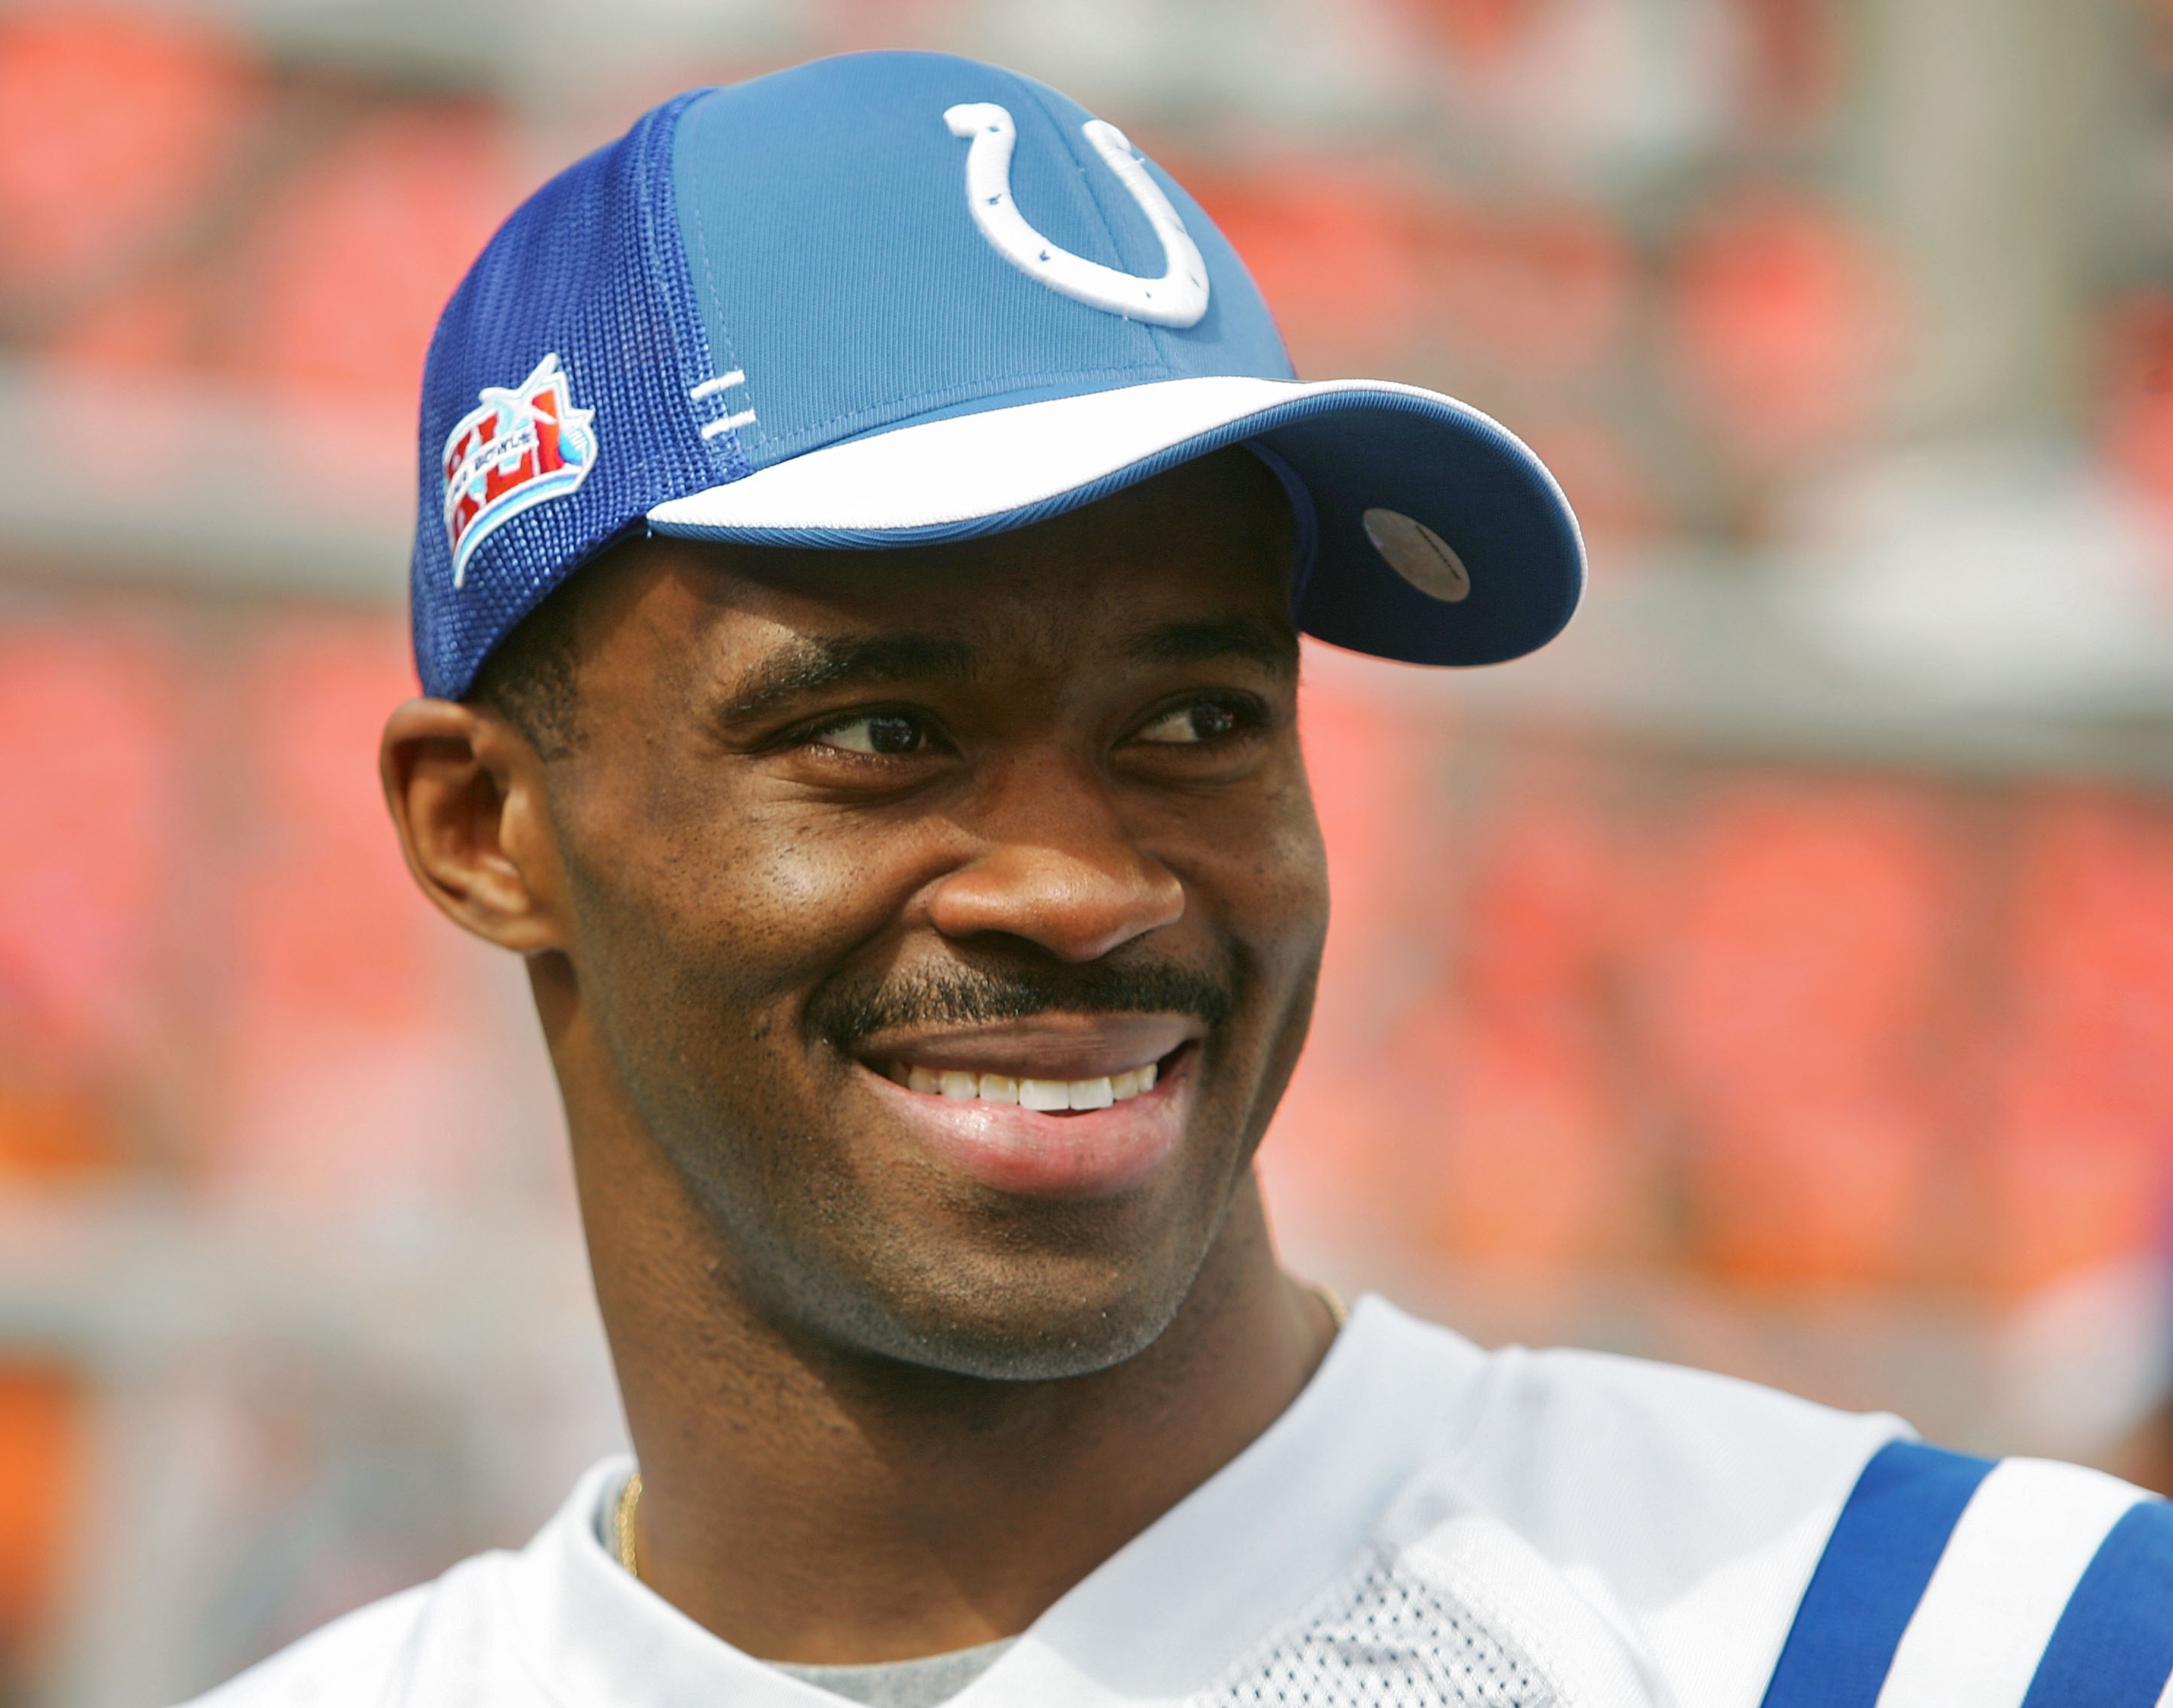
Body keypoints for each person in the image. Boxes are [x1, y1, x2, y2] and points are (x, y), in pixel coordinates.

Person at [191, 49, 2173, 1708]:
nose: (1079, 884)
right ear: (481, 827)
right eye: (882, 731)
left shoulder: (1958, 1645)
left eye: (1198, 720)